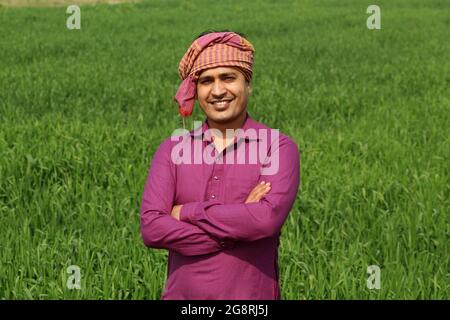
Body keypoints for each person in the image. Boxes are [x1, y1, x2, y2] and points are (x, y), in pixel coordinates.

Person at [140, 30, 300, 299]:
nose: (217, 91)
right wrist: (239, 220)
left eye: (228, 77)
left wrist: (185, 212)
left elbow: (265, 220)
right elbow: (152, 229)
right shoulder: (173, 149)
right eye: (206, 81)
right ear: (196, 90)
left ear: (247, 84)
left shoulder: (277, 147)